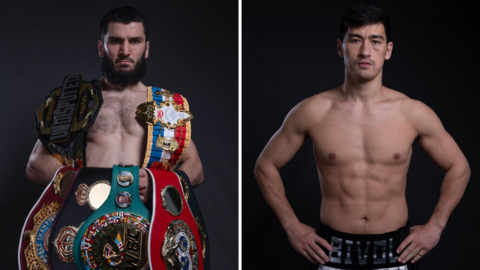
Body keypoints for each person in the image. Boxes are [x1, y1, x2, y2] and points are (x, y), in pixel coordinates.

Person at [254, 4, 470, 270]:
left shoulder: (413, 112)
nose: (365, 51)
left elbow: (459, 167)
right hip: (332, 254)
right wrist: (291, 225)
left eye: (375, 41)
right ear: (340, 47)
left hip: (396, 254)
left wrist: (436, 226)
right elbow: (264, 166)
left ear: (387, 50)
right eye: (355, 40)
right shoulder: (313, 111)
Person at [26, 6, 204, 202]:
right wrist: (84, 188)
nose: (125, 51)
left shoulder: (166, 107)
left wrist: (160, 185)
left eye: (135, 41)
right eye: (115, 41)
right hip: (86, 218)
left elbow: (195, 166)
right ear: (101, 48)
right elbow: (36, 164)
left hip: (147, 222)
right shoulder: (77, 100)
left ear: (146, 49)